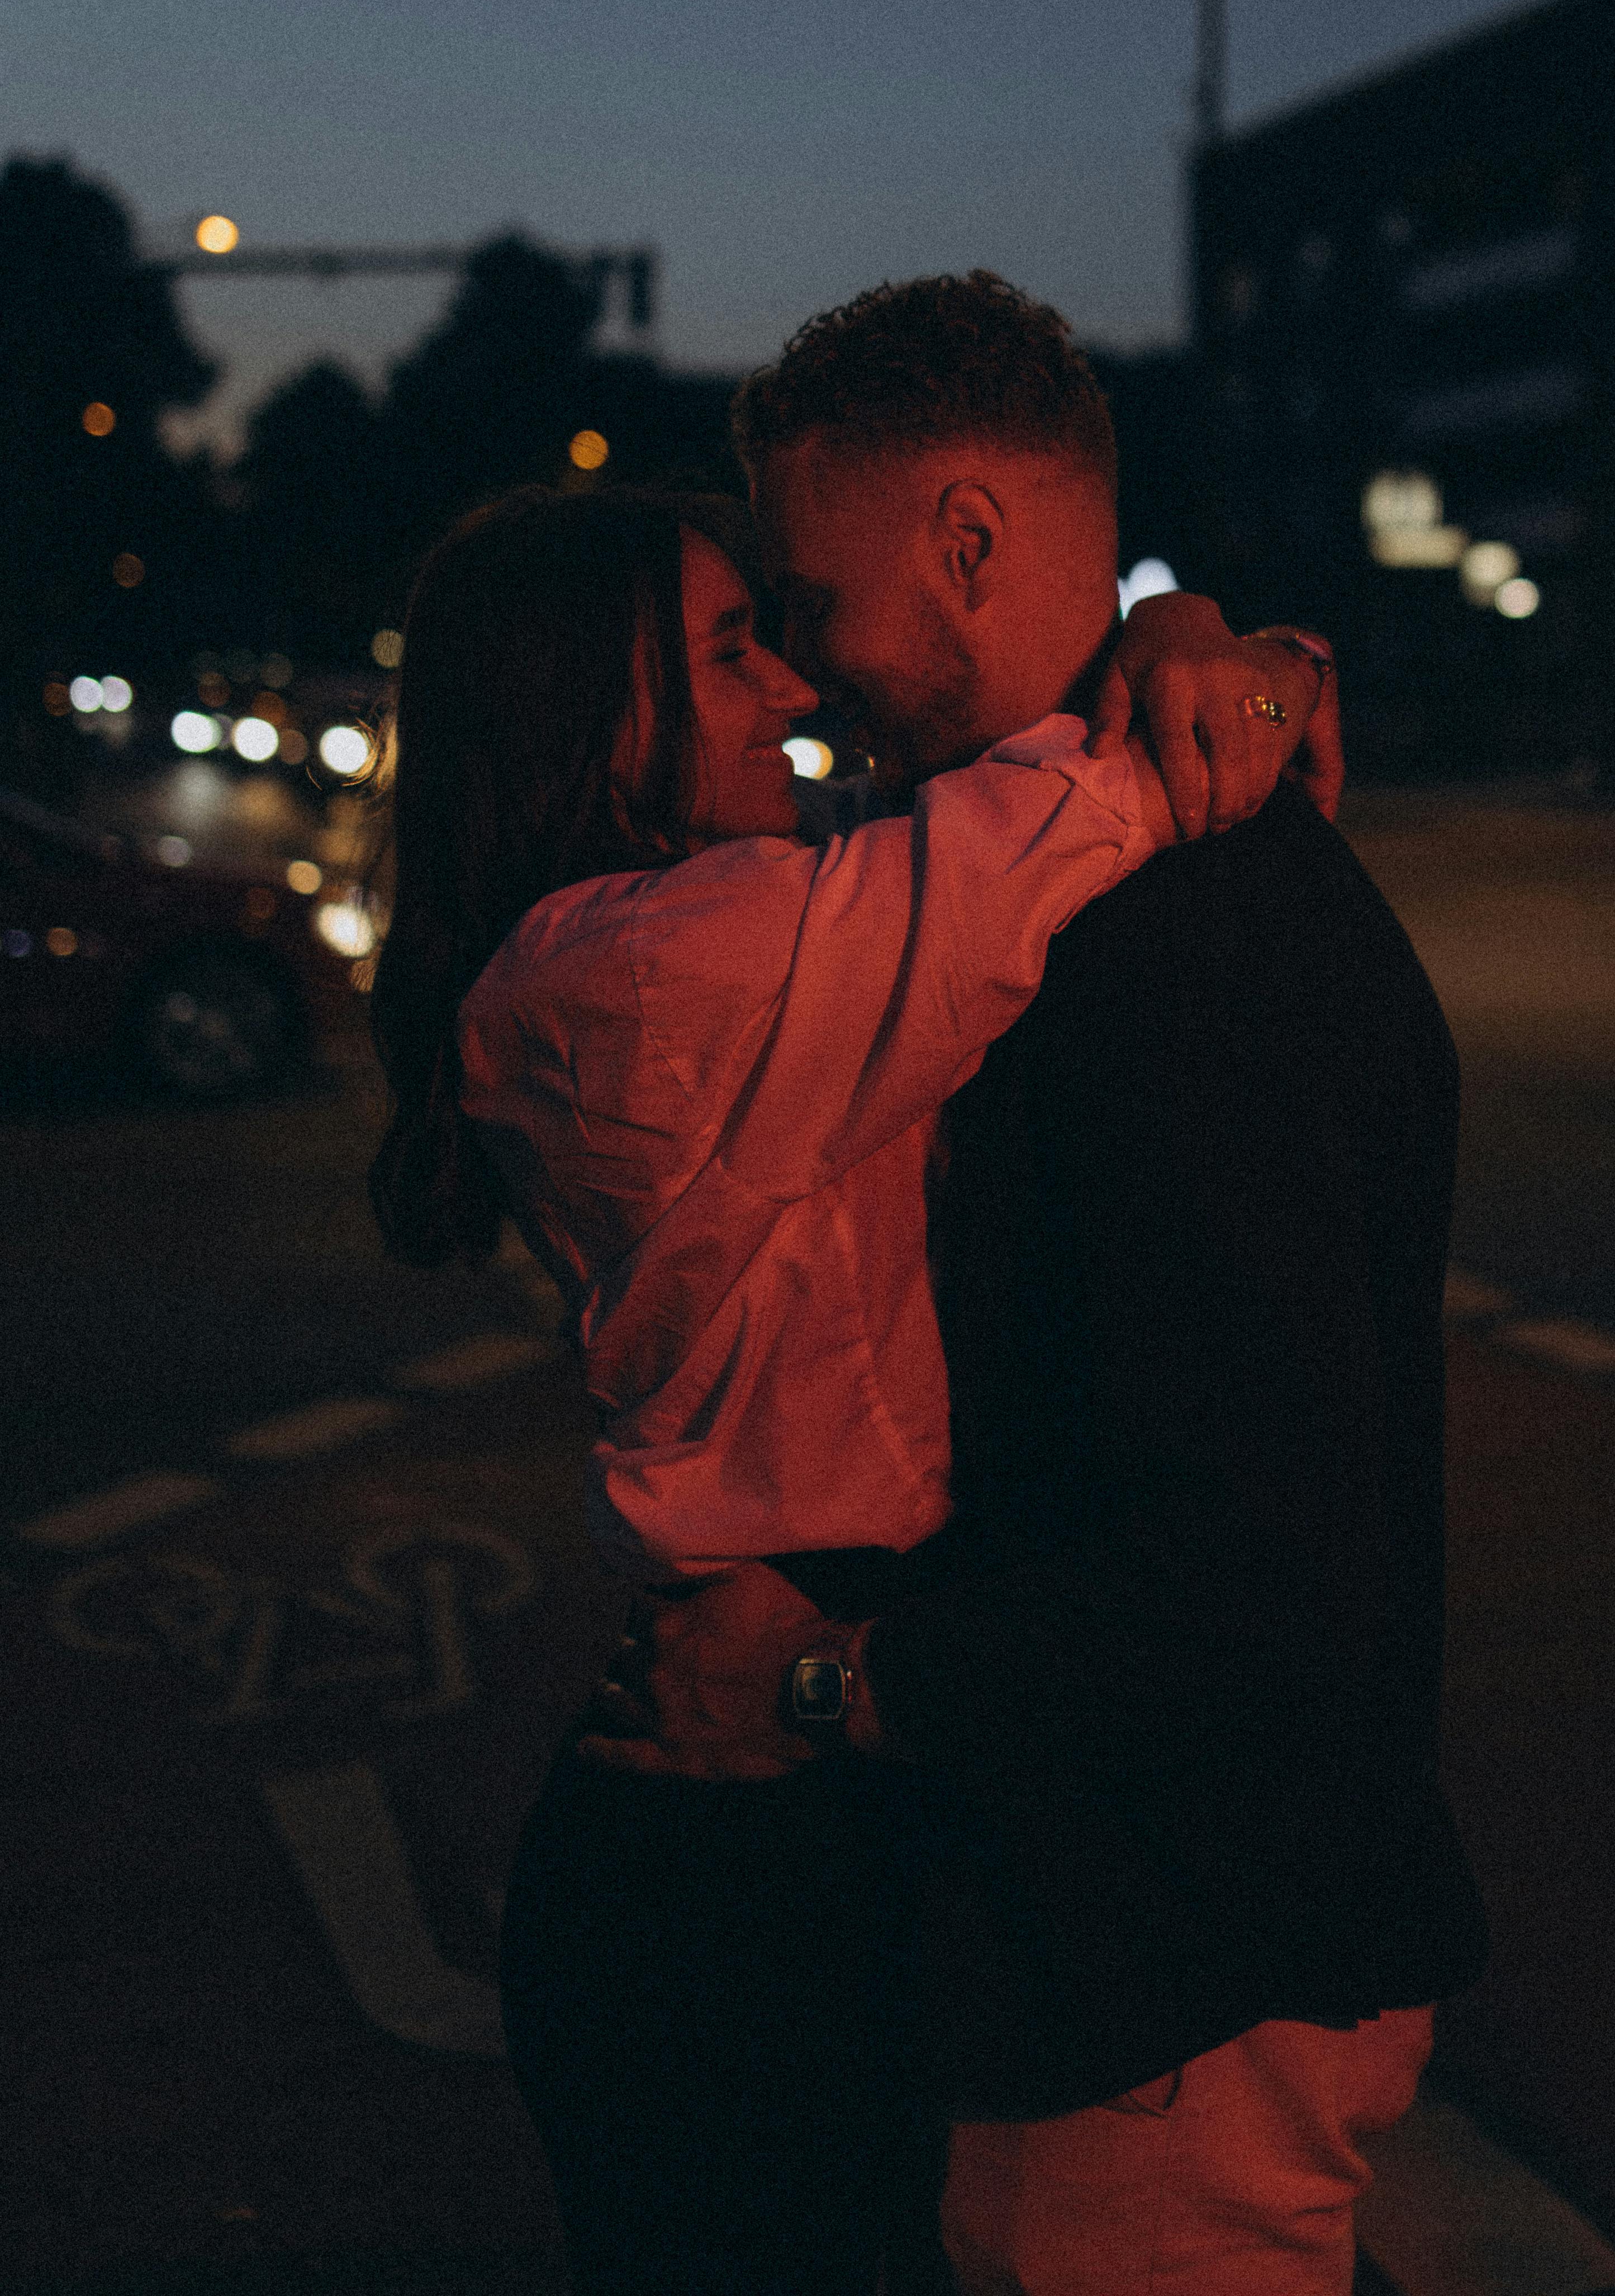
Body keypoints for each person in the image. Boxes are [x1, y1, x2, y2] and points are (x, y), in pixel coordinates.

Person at [599, 272, 1490, 2295]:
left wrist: (822, 1687)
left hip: (1176, 1967)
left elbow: (1258, 1575)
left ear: (971, 541)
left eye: (809, 606)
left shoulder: (1161, 943)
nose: (808, 680)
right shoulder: (1101, 866)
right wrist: (1202, 644)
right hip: (1176, 1935)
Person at [366, 474, 1328, 2295]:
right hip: (741, 1838)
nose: (795, 697)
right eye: (733, 653)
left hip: (767, 1765)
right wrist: (1253, 671)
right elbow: (1079, 818)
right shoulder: (660, 971)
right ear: (600, 699)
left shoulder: (669, 936)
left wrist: (1196, 640)